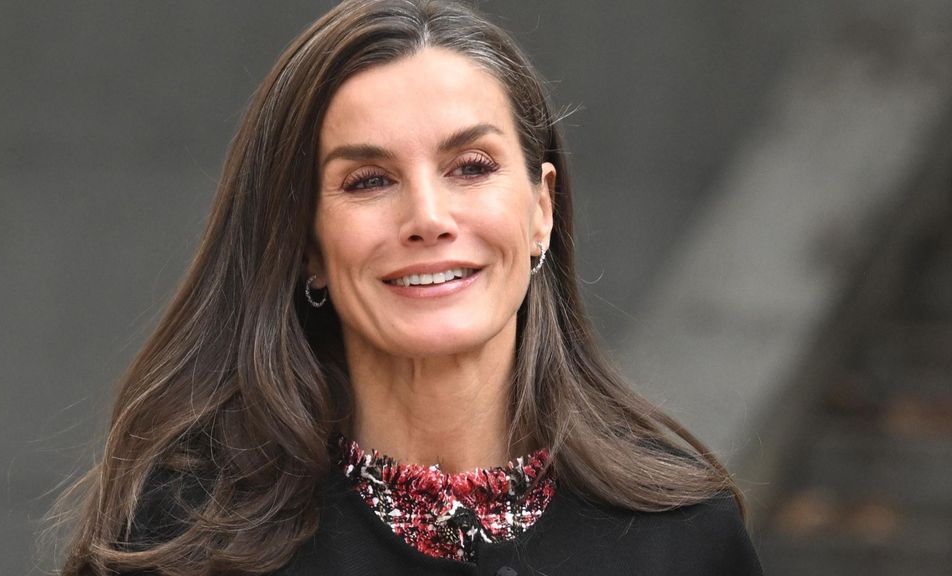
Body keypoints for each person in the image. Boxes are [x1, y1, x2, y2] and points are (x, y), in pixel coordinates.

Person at [57, 1, 762, 574]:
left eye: (471, 166)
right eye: (369, 181)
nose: (428, 217)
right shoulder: (181, 543)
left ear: (542, 209)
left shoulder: (684, 539)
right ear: (305, 245)